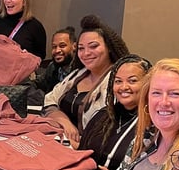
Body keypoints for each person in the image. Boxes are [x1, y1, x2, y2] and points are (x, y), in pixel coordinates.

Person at [42, 15, 129, 145]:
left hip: (87, 152)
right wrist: (63, 121)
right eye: (81, 48)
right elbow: (49, 100)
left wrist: (77, 145)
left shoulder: (118, 82)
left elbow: (109, 131)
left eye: (93, 46)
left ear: (109, 47)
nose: (86, 53)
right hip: (58, 141)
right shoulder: (78, 74)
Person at [79, 54, 152, 170]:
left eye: (132, 81)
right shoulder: (103, 116)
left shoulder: (152, 125)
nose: (123, 87)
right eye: (118, 81)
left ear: (148, 84)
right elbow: (81, 153)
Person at [34, 26, 76, 94]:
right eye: (54, 47)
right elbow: (37, 84)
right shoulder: (52, 66)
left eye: (62, 46)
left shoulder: (80, 69)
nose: (57, 50)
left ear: (74, 46)